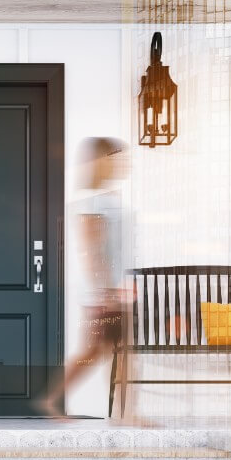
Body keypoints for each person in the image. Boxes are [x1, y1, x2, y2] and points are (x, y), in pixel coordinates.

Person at [35, 137, 133, 418]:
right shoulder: (94, 203)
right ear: (103, 162)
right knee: (113, 351)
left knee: (101, 351)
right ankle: (124, 414)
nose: (124, 164)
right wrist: (107, 291)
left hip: (113, 291)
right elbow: (92, 250)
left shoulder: (109, 200)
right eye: (117, 158)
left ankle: (53, 400)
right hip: (105, 293)